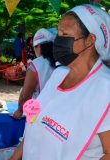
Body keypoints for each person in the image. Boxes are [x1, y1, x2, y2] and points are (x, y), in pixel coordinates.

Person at [10, 4, 110, 160]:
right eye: (58, 33)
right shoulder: (58, 75)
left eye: (65, 34)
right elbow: (35, 125)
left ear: (90, 40)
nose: (58, 40)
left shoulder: (105, 89)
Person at [13, 28, 57, 119]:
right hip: (57, 112)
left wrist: (20, 110)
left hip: (39, 114)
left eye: (34, 47)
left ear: (39, 46)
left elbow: (26, 93)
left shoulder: (36, 64)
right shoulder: (62, 63)